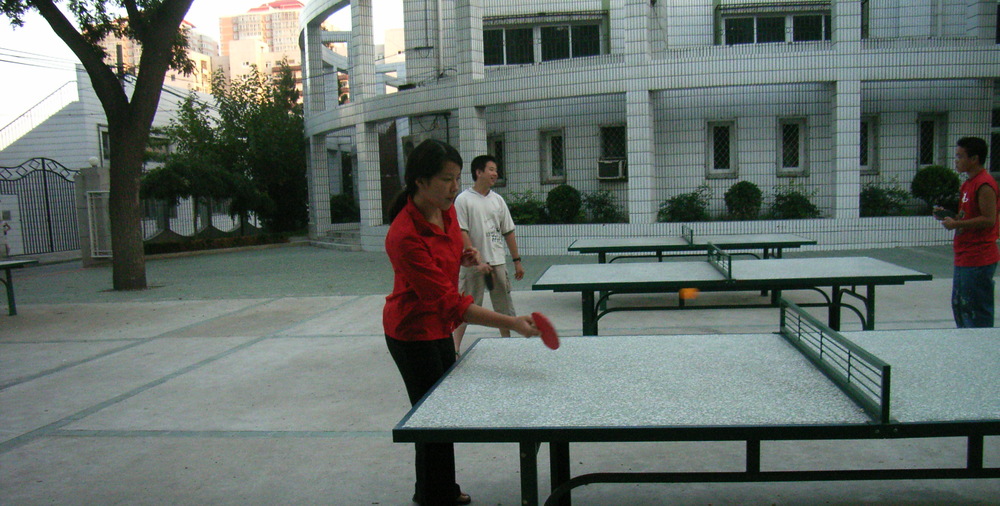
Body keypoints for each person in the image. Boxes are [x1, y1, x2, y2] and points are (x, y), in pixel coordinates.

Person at [383, 139, 540, 506]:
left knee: (442, 412)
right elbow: (452, 306)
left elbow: (449, 251)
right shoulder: (404, 235)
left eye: (456, 178)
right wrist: (512, 322)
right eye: (446, 179)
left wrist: (463, 256)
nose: (454, 187)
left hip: (437, 327)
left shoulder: (446, 211)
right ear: (420, 181)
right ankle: (435, 494)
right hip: (411, 333)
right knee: (430, 416)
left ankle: (437, 489)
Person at [453, 155, 523, 350]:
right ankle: (455, 348)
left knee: (504, 308)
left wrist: (517, 261)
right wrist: (477, 260)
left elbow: (508, 231)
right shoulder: (463, 200)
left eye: (496, 170)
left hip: (496, 262)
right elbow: (461, 231)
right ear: (478, 172)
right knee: (465, 307)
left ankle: (507, 344)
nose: (495, 174)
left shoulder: (497, 200)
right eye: (491, 169)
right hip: (472, 265)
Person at [936, 136, 998, 328]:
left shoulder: (984, 184)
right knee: (960, 306)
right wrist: (949, 216)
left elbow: (989, 219)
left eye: (960, 156)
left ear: (974, 159)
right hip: (964, 255)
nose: (956, 160)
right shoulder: (967, 184)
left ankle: (980, 345)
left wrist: (956, 224)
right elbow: (967, 216)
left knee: (975, 310)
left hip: (979, 257)